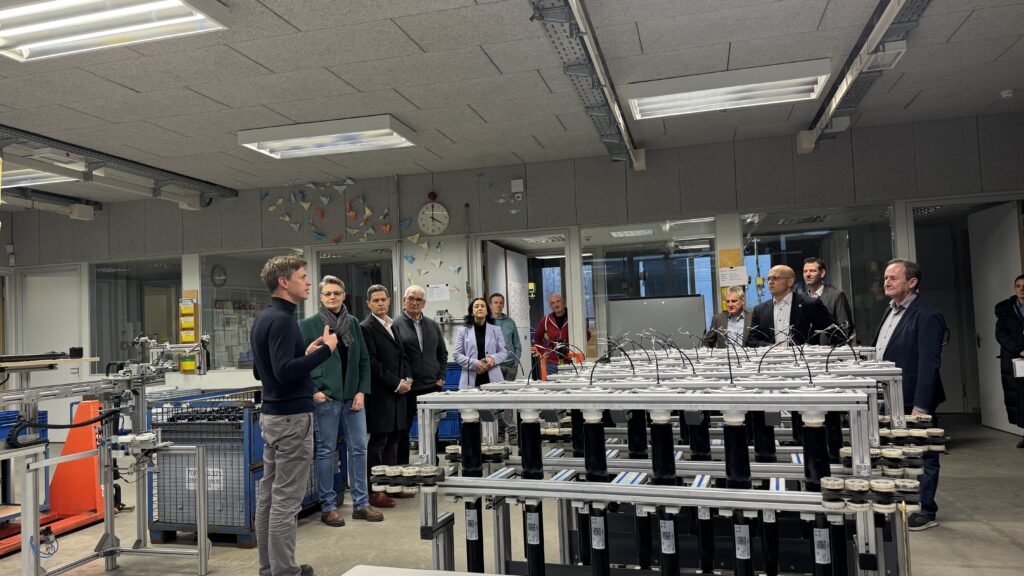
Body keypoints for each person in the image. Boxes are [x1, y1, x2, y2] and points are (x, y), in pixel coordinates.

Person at [251, 255, 336, 576]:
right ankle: (285, 571)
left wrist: (305, 352)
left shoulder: (264, 318)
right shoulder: (284, 320)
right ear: (284, 282)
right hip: (291, 419)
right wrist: (326, 350)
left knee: (269, 498)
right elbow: (284, 372)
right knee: (286, 501)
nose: (309, 282)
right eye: (303, 276)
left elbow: (261, 370)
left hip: (273, 417)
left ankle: (269, 568)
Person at [299, 276, 381, 526]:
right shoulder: (309, 325)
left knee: (359, 449)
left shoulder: (353, 323)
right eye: (327, 294)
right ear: (321, 297)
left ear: (344, 296)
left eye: (336, 293)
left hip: (352, 397)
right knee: (326, 451)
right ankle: (328, 507)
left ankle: (361, 504)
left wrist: (361, 391)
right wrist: (313, 390)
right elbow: (299, 363)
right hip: (326, 398)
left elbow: (363, 360)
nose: (332, 297)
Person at [871, 258, 946, 531]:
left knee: (923, 455)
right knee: (893, 454)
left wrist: (921, 407)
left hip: (913, 399)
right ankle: (900, 501)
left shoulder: (928, 315)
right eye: (885, 278)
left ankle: (926, 510)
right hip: (887, 397)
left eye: (893, 278)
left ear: (912, 282)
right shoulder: (889, 311)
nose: (886, 282)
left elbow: (929, 364)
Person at [360, 284, 412, 508]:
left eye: (383, 299)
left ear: (389, 301)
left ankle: (392, 486)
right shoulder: (366, 327)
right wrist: (395, 384)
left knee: (394, 440)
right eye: (376, 300)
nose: (380, 303)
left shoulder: (392, 325)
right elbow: (372, 363)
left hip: (398, 394)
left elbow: (402, 356)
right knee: (379, 443)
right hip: (381, 395)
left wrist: (407, 379)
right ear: (368, 304)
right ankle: (375, 491)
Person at [393, 285, 448, 474]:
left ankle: (432, 465)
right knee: (403, 430)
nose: (415, 302)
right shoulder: (395, 325)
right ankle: (402, 467)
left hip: (432, 386)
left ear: (424, 303)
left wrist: (441, 377)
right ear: (404, 301)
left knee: (432, 430)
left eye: (419, 300)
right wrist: (400, 381)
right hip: (408, 388)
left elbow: (442, 354)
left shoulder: (432, 325)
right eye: (411, 298)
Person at [746, 265, 840, 347]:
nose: (770, 282)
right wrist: (770, 347)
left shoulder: (810, 304)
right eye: (769, 278)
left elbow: (836, 334)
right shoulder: (760, 310)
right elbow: (751, 340)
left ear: (790, 282)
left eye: (776, 278)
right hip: (770, 359)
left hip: (805, 359)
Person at [994, 274, 1024, 447]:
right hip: (1014, 359)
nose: (1022, 289)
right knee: (1019, 396)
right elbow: (1001, 334)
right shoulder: (1005, 309)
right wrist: (1019, 350)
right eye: (1018, 286)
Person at [454, 297, 509, 388]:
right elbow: (457, 355)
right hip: (470, 379)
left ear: (487, 311)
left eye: (483, 306)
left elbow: (504, 352)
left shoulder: (496, 330)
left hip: (493, 379)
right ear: (471, 312)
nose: (480, 308)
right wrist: (475, 364)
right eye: (476, 306)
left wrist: (492, 359)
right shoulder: (463, 331)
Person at [799, 257, 855, 343]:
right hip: (805, 349)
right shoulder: (801, 299)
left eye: (812, 271)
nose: (808, 274)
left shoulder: (836, 295)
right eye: (805, 271)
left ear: (822, 273)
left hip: (829, 349)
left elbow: (846, 328)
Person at [532, 293, 590, 373]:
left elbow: (587, 337)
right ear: (550, 306)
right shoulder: (546, 320)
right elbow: (537, 338)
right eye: (553, 303)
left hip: (572, 361)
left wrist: (582, 329)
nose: (556, 305)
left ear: (563, 302)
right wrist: (544, 352)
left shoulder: (573, 317)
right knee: (553, 381)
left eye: (558, 301)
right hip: (552, 364)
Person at [489, 293, 522, 381]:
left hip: (511, 366)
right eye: (495, 303)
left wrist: (516, 361)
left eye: (501, 303)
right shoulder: (486, 322)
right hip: (494, 366)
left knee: (510, 389)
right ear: (490, 305)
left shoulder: (510, 322)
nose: (498, 305)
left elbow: (517, 344)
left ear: (503, 305)